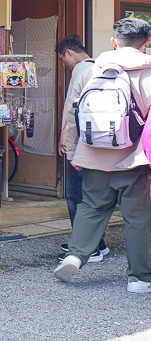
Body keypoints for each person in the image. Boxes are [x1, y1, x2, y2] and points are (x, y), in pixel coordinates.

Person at [55, 18, 151, 293]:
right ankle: (139, 279)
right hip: (134, 159)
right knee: (137, 218)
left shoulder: (92, 69)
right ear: (146, 42)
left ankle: (75, 255)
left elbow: (74, 112)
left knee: (91, 207)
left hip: (94, 153)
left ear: (114, 42)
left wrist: (74, 151)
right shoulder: (147, 71)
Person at [55, 34, 108, 262]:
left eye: (62, 59)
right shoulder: (101, 67)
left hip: (81, 145)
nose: (64, 65)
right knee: (93, 195)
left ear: (69, 52)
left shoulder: (80, 70)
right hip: (100, 144)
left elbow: (72, 110)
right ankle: (98, 243)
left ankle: (86, 247)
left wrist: (65, 139)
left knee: (76, 195)